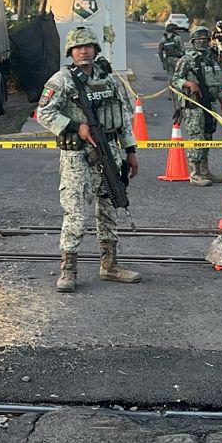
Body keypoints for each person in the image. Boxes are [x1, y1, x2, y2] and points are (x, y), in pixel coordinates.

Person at [35, 25, 142, 292]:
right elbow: (44, 113)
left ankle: (110, 265)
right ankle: (68, 270)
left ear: (96, 49)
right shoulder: (62, 80)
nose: (84, 51)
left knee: (108, 207)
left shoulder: (108, 79)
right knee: (75, 212)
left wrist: (130, 151)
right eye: (78, 47)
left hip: (110, 152)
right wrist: (75, 126)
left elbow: (123, 116)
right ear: (70, 52)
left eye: (88, 46)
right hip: (77, 157)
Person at [171, 26, 222, 186]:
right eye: (199, 40)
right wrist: (188, 83)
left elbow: (217, 83)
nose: (203, 42)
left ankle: (205, 171)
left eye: (206, 39)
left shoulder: (211, 59)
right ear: (193, 42)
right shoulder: (186, 59)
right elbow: (175, 80)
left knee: (208, 137)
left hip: (210, 104)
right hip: (193, 105)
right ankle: (194, 174)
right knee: (197, 138)